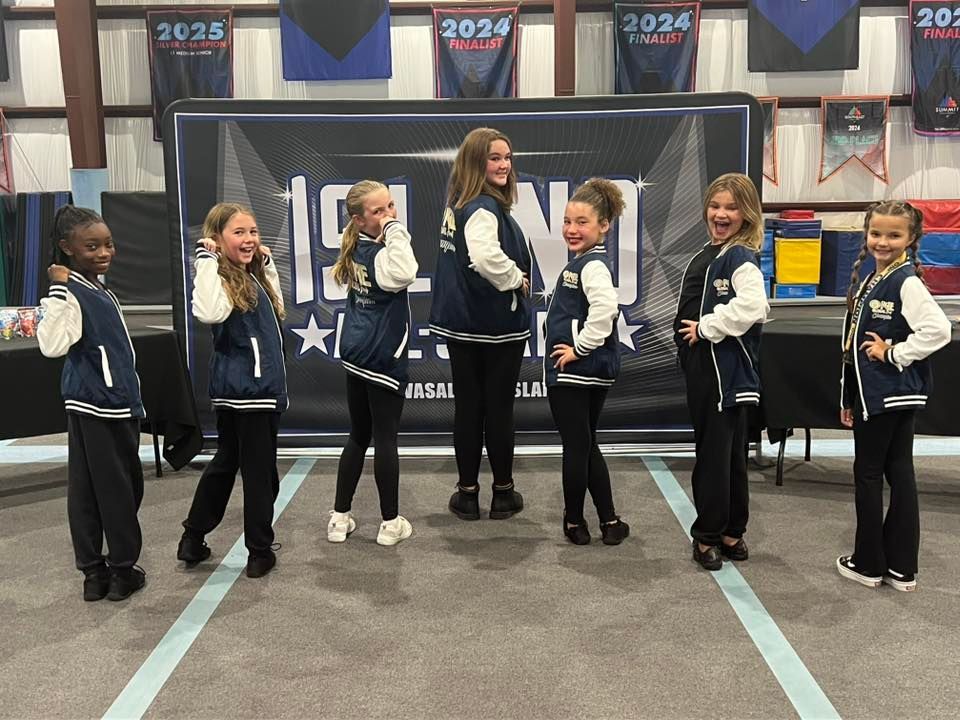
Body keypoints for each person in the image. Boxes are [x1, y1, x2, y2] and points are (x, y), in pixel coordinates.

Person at [837, 200, 951, 592]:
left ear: (911, 238)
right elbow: (851, 345)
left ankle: (868, 563)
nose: (882, 242)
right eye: (876, 233)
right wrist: (848, 397)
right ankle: (901, 567)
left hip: (889, 395)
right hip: (877, 395)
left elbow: (939, 330)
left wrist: (894, 353)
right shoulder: (874, 277)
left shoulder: (906, 281)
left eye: (894, 235)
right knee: (899, 471)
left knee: (869, 474)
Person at [37, 205, 146, 601]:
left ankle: (96, 574)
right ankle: (119, 570)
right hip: (101, 406)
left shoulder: (96, 288)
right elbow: (52, 345)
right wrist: (58, 288)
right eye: (92, 246)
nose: (104, 253)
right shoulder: (70, 291)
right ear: (67, 248)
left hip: (103, 403)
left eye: (108, 244)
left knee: (90, 490)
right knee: (116, 489)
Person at [176, 202, 287, 579]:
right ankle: (259, 550)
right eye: (238, 232)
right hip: (249, 393)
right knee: (260, 474)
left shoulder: (247, 275)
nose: (249, 239)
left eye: (253, 231)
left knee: (226, 464)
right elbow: (209, 312)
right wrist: (206, 260)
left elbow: (277, 312)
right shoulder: (219, 276)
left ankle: (193, 537)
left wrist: (265, 267)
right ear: (217, 239)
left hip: (247, 391)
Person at [429, 127, 530, 521]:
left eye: (507, 157)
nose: (505, 165)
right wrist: (515, 278)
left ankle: (467, 494)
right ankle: (502, 493)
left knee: (469, 410)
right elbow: (485, 257)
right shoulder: (483, 207)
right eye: (495, 158)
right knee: (498, 410)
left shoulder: (459, 203)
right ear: (475, 162)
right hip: (495, 324)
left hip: (464, 324)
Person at [674, 173, 768, 571]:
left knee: (715, 456)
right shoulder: (714, 252)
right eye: (715, 206)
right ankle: (732, 531)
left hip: (719, 370)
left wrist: (707, 328)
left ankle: (708, 535)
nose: (721, 214)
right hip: (713, 371)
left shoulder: (738, 256)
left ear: (747, 214)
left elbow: (755, 306)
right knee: (729, 455)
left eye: (731, 207)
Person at [327, 180, 418, 546]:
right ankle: (390, 523)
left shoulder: (356, 245)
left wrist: (386, 228)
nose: (389, 215)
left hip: (356, 352)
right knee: (384, 439)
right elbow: (406, 270)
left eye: (391, 206)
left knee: (358, 435)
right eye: (378, 211)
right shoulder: (381, 254)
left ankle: (339, 518)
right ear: (358, 220)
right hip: (381, 357)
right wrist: (395, 230)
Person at [545, 179, 630, 546]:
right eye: (567, 221)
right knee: (586, 443)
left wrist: (578, 349)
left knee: (577, 447)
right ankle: (609, 521)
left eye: (582, 222)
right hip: (589, 372)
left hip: (575, 373)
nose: (572, 229)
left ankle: (574, 520)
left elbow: (606, 310)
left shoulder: (593, 265)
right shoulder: (584, 262)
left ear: (603, 225)